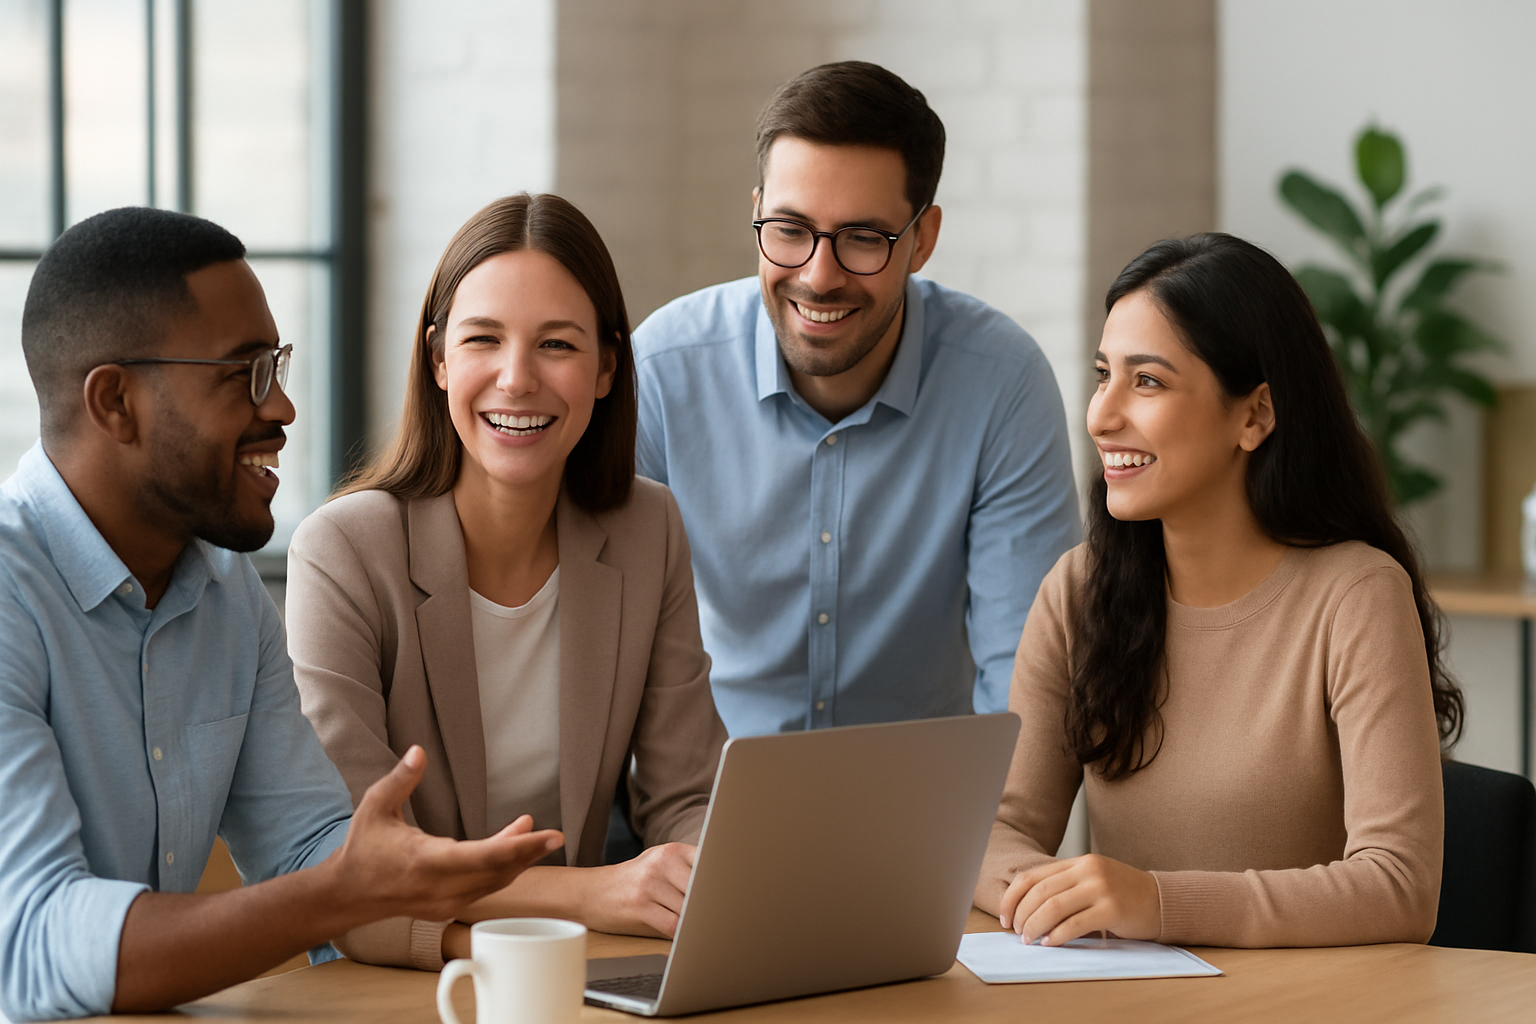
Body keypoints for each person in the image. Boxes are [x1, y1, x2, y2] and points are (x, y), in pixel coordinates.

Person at [0, 208, 562, 1022]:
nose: (284, 408)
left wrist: (409, 871)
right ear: (116, 402)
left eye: (278, 366)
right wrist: (338, 892)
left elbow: (306, 849)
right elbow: (36, 942)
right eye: (244, 375)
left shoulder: (226, 589)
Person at [976, 233, 1462, 948]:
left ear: (1255, 415)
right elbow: (999, 832)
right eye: (1103, 374)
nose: (1102, 415)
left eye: (1148, 382)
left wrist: (1156, 903)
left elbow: (1399, 886)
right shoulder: (1078, 591)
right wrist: (1054, 898)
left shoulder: (1356, 594)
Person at [285, 193, 727, 969]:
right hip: (389, 975)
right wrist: (593, 896)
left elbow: (685, 798)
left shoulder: (647, 528)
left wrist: (700, 881)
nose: (517, 379)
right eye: (483, 339)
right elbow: (355, 866)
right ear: (438, 360)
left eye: (557, 344)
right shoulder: (344, 552)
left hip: (575, 970)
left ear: (606, 368)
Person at [632, 61, 1081, 735]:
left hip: (929, 819)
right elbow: (615, 657)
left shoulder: (1001, 383)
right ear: (756, 212)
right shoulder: (666, 371)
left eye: (863, 239)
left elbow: (1025, 683)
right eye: (789, 229)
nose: (818, 276)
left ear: (922, 240)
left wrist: (1000, 840)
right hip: (704, 807)